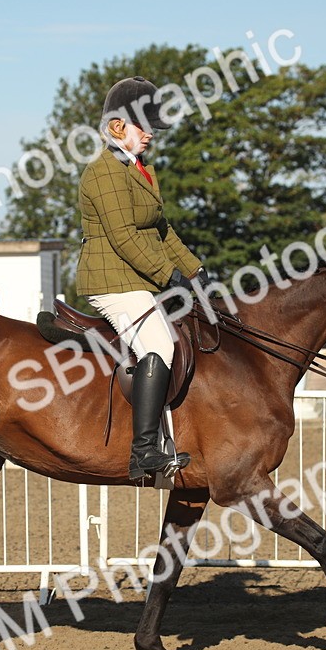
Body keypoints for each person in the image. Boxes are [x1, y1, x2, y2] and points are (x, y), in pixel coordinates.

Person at [76, 76, 213, 482]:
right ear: (118, 126)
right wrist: (169, 277)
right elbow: (124, 237)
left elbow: (161, 231)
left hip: (135, 277)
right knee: (158, 343)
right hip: (111, 280)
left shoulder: (139, 170)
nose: (151, 133)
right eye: (143, 125)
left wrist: (196, 271)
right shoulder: (103, 173)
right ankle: (144, 453)